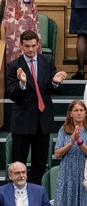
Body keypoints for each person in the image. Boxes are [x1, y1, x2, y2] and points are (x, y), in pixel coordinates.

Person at [6, 30, 66, 184]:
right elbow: (12, 94)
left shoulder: (47, 61)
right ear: (21, 46)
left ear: (38, 45)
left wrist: (56, 82)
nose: (30, 50)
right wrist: (23, 84)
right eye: (27, 46)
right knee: (18, 164)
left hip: (42, 121)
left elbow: (52, 90)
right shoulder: (14, 66)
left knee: (40, 165)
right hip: (23, 122)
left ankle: (35, 195)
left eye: (33, 46)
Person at [53, 100, 87, 206]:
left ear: (85, 112)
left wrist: (79, 141)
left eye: (81, 110)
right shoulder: (64, 129)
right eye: (76, 110)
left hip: (85, 169)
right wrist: (71, 143)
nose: (79, 113)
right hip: (67, 170)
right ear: (70, 114)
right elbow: (57, 154)